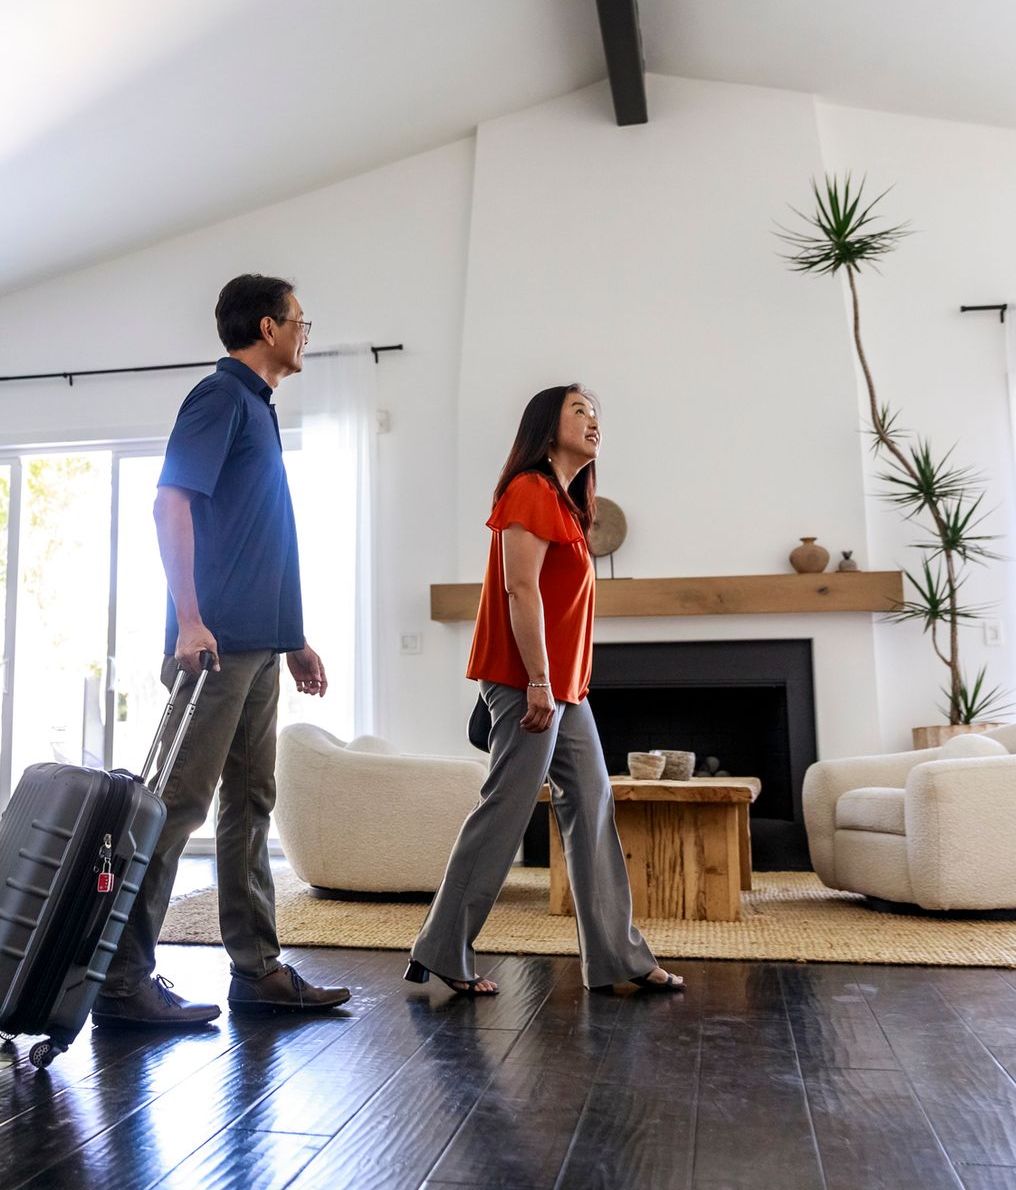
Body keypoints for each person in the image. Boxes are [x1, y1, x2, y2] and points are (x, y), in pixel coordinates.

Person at [93, 274, 352, 1026]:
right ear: (268, 327)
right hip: (212, 647)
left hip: (257, 645)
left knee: (250, 804)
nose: (305, 333)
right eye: (300, 321)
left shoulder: (257, 408)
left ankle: (257, 969)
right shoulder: (219, 398)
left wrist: (292, 637)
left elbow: (255, 540)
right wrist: (188, 620)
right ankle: (120, 981)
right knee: (174, 807)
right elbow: (169, 502)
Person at [407, 385, 684, 995]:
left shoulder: (568, 504)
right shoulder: (529, 489)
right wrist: (536, 679)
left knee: (592, 801)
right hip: (525, 681)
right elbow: (521, 589)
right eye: (579, 410)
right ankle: (442, 948)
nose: (593, 421)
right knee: (506, 807)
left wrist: (557, 683)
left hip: (564, 688)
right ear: (546, 427)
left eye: (596, 413)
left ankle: (616, 957)